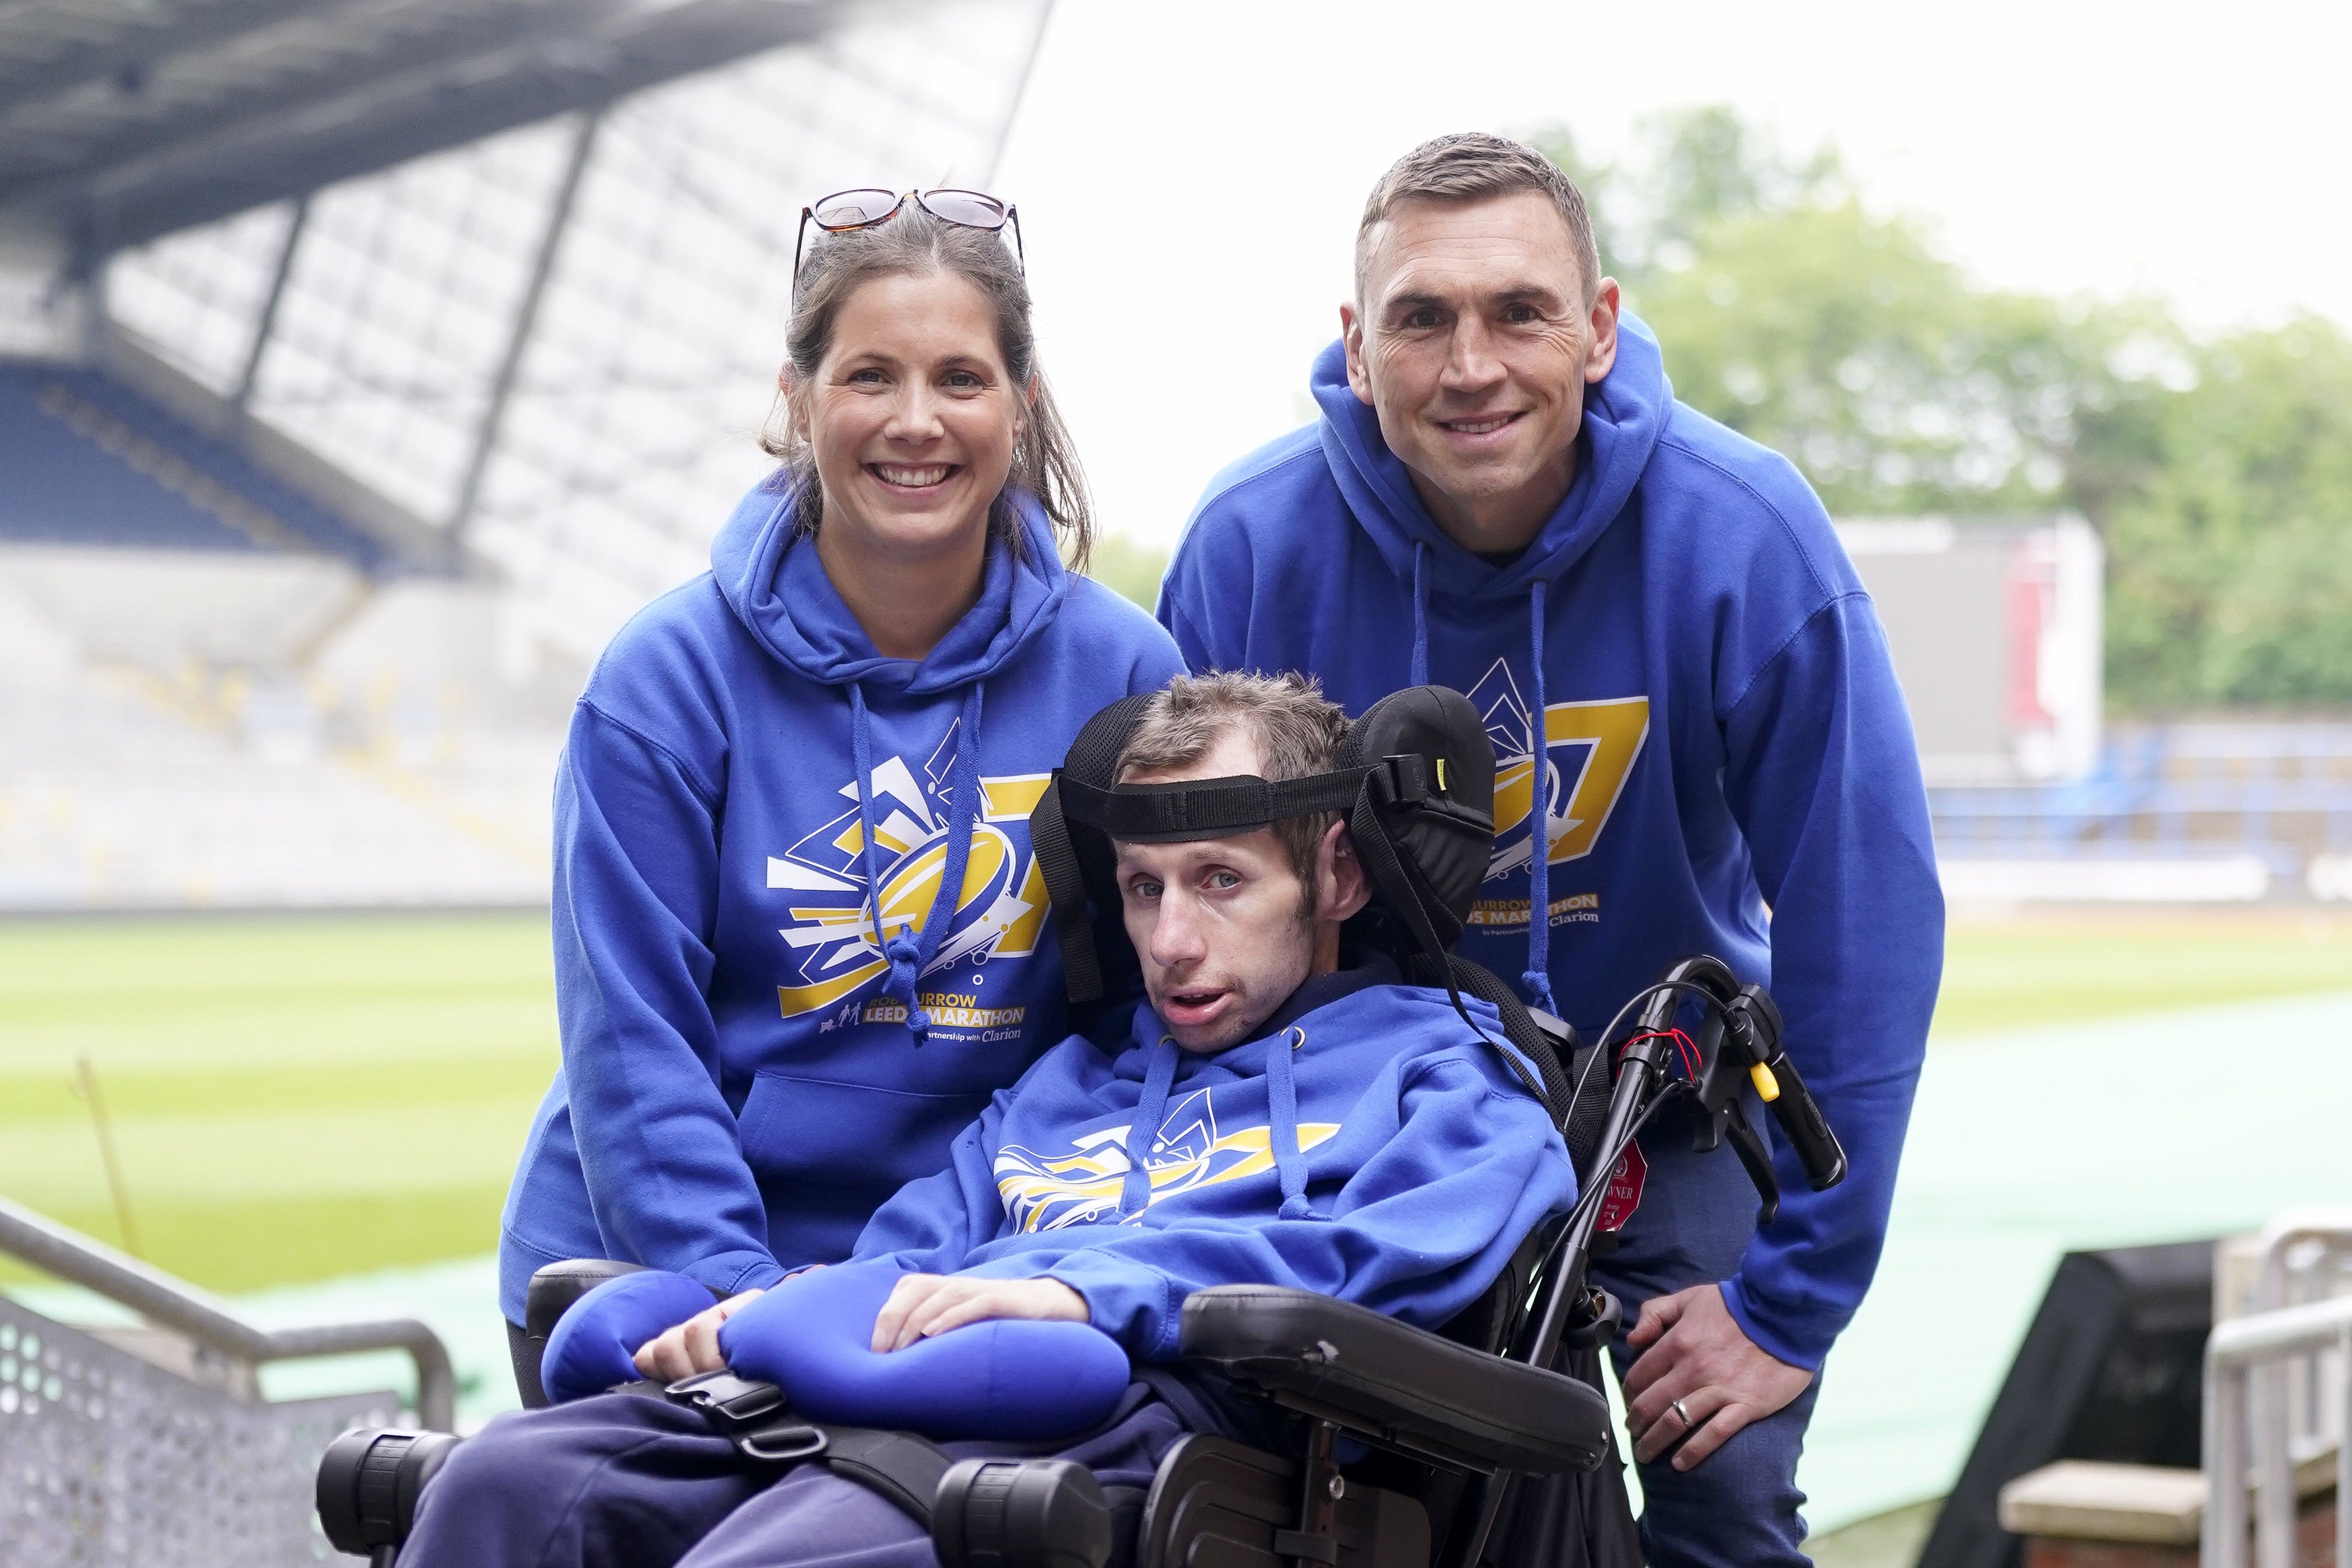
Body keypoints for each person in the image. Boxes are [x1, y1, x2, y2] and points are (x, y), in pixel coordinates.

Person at [1157, 134, 1945, 1566]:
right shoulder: (1249, 544)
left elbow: (1865, 915)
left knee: (1727, 1481)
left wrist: (1786, 1306)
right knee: (1333, 1490)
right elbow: (1182, 909)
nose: (1472, 366)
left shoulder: (1744, 531)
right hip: (1366, 1106)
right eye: (1421, 318)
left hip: (1662, 1099)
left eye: (1520, 311)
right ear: (1353, 342)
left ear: (1600, 328)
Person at [402, 672, 1576, 1568]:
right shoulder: (1068, 1084)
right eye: (1142, 888)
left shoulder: (1449, 1071)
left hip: (1157, 1428)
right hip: (900, 1401)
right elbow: (907, 1257)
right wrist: (762, 1316)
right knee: (502, 1490)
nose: (1171, 941)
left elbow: (1409, 1252)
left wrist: (1089, 1295)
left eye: (1223, 880)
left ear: (1339, 878)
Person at [496, 189, 1187, 1404]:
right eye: (871, 375)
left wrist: (1021, 1275)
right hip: (659, 1289)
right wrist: (738, 1306)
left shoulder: (1127, 678)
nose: (915, 422)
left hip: (963, 1290)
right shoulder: (661, 683)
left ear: (1020, 406)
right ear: (797, 397)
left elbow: (1148, 1032)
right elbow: (634, 1047)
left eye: (960, 379)